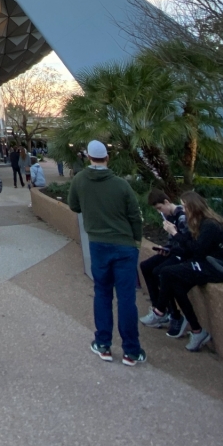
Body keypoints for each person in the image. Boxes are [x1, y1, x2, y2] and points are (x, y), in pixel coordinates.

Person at [68, 139, 145, 366]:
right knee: (127, 298)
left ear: (88, 157)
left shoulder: (80, 180)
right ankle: (131, 350)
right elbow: (134, 217)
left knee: (102, 293)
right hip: (125, 246)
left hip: (98, 244)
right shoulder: (121, 185)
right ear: (107, 158)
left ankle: (103, 344)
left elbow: (74, 206)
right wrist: (136, 242)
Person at [151, 191, 223, 351]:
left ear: (193, 207)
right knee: (176, 285)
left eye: (185, 206)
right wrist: (171, 249)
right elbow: (189, 247)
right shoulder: (200, 223)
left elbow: (197, 251)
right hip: (206, 264)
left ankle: (160, 310)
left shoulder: (210, 225)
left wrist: (175, 233)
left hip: (216, 268)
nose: (183, 209)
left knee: (167, 272)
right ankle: (197, 330)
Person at [139, 189, 189, 336]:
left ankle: (174, 314)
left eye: (160, 208)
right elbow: (172, 242)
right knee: (146, 266)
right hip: (173, 251)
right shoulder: (170, 217)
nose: (160, 212)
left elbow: (185, 242)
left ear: (167, 202)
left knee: (160, 272)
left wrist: (173, 234)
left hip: (183, 255)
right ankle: (159, 308)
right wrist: (165, 248)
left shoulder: (181, 217)